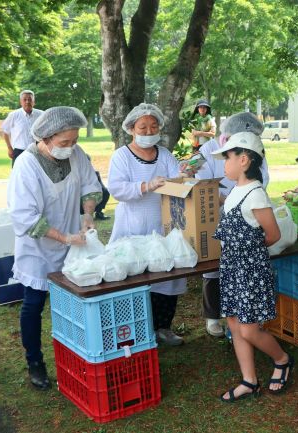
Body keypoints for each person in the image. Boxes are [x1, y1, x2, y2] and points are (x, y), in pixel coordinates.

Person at [8, 106, 102, 390]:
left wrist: (87, 214)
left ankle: (76, 358)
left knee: (73, 302)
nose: (70, 147)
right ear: (46, 138)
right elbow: (25, 217)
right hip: (38, 247)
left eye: (74, 141)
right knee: (34, 303)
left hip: (72, 239)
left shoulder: (75, 153)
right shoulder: (26, 164)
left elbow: (89, 185)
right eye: (64, 143)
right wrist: (65, 238)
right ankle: (35, 361)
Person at [211, 131, 293, 402]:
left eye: (227, 158)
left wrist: (250, 253)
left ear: (243, 160)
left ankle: (281, 359)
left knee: (249, 328)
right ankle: (249, 380)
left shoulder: (255, 194)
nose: (224, 164)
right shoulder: (236, 190)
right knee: (234, 324)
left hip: (250, 272)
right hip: (233, 270)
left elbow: (273, 235)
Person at [107, 103, 187, 346]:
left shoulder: (164, 154)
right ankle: (137, 331)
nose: (148, 131)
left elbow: (177, 182)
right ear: (132, 129)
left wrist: (184, 176)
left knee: (166, 275)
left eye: (153, 126)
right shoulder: (122, 156)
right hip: (132, 225)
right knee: (135, 274)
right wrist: (146, 186)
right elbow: (117, 189)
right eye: (143, 127)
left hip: (162, 224)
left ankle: (163, 327)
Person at [195, 112, 270, 337]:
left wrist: (243, 198)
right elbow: (200, 179)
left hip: (246, 213)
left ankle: (240, 319)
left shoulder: (256, 150)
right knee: (213, 266)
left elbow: (263, 177)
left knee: (237, 271)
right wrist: (226, 199)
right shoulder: (208, 148)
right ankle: (212, 316)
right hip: (213, 212)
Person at [2, 90, 44, 167]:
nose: (27, 102)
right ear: (21, 102)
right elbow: (5, 132)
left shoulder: (41, 114)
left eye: (30, 99)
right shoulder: (14, 115)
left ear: (34, 102)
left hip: (37, 151)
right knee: (18, 176)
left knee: (37, 175)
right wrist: (9, 148)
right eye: (25, 99)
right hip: (19, 151)